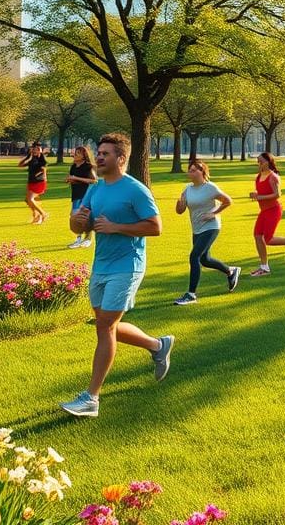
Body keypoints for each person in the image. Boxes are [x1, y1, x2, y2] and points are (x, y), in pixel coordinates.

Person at [60, 132, 172, 418]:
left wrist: (116, 227)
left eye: (106, 154)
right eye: (99, 152)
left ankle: (91, 398)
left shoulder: (135, 190)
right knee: (103, 323)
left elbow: (155, 227)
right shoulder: (96, 189)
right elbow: (78, 227)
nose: (99, 157)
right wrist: (77, 221)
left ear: (121, 159)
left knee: (105, 327)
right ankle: (158, 345)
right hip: (101, 265)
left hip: (128, 265)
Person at [173, 160, 241, 304]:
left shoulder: (210, 187)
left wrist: (214, 213)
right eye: (189, 170)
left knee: (194, 256)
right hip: (197, 228)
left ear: (202, 172)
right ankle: (230, 271)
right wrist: (179, 204)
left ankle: (191, 295)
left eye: (193, 170)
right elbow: (180, 211)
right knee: (205, 259)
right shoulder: (187, 189)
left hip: (211, 227)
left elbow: (228, 201)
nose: (190, 173)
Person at [251, 152, 285, 277]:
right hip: (264, 211)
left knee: (267, 239)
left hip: (274, 210)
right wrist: (256, 195)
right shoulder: (259, 176)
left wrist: (260, 196)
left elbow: (278, 194)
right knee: (258, 236)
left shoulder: (273, 177)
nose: (259, 164)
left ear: (268, 162)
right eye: (257, 161)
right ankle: (264, 267)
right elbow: (262, 191)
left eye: (261, 161)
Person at [66, 146, 97, 248]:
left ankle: (87, 239)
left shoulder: (88, 167)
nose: (75, 154)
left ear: (84, 156)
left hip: (86, 195)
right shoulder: (73, 166)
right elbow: (75, 180)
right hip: (76, 195)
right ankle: (78, 240)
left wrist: (75, 178)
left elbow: (93, 180)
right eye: (75, 152)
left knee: (84, 217)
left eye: (78, 153)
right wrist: (70, 180)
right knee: (74, 217)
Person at [18, 142, 48, 224]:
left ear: (40, 151)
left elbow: (43, 169)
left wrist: (39, 174)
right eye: (33, 149)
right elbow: (20, 165)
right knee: (27, 200)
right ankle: (37, 215)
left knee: (30, 199)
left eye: (37, 150)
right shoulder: (32, 160)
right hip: (31, 182)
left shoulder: (42, 160)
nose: (34, 151)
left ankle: (43, 214)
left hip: (39, 182)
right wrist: (27, 157)